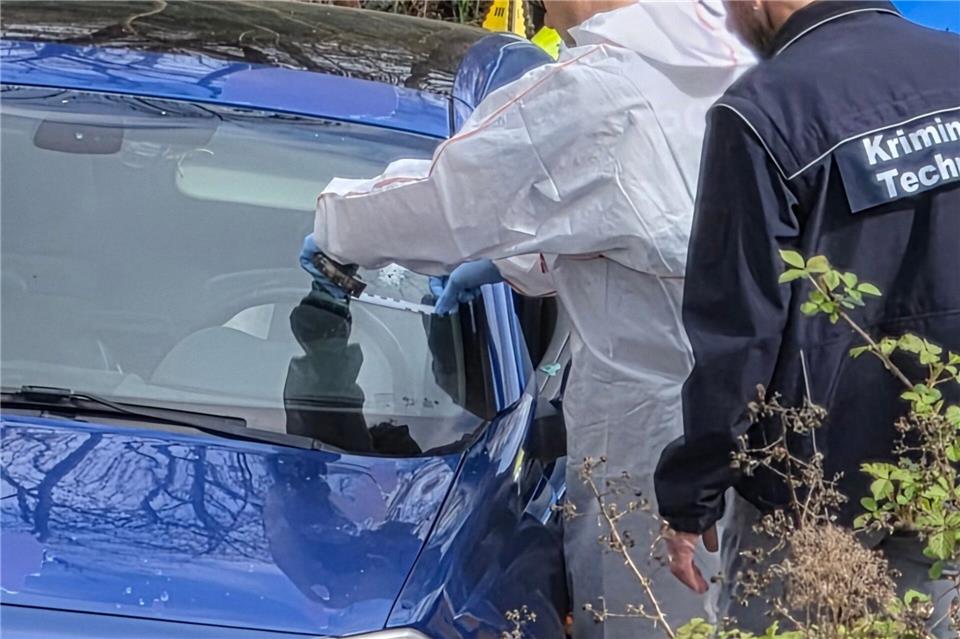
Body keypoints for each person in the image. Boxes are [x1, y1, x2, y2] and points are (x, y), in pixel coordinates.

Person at [303, 2, 754, 636]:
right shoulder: (737, 60)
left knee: (648, 619)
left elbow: (448, 199)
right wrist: (517, 263)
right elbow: (641, 234)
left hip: (653, 439)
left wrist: (334, 223)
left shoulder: (599, 87)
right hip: (772, 420)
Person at [654, 1, 960, 634]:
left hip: (809, 496)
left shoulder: (763, 110)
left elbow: (738, 333)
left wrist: (692, 496)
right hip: (944, 475)